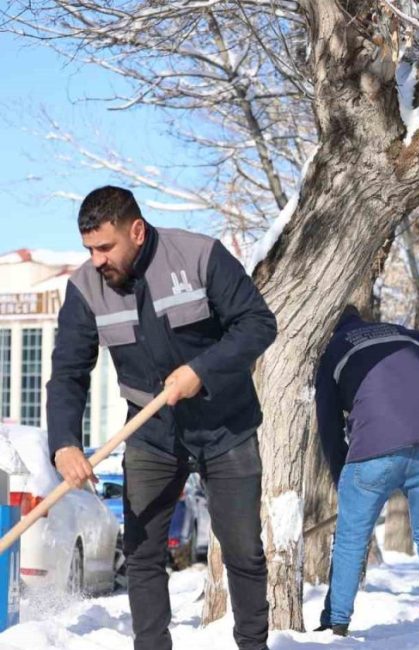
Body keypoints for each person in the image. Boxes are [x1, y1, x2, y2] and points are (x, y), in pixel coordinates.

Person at [47, 186, 277, 650]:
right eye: (89, 249)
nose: (97, 260)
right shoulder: (85, 288)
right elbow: (69, 371)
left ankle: (253, 644)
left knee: (243, 552)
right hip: (151, 434)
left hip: (226, 425)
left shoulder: (199, 255)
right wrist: (65, 442)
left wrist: (201, 370)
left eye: (105, 247)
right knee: (143, 554)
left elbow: (258, 323)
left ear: (136, 230)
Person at [314, 306, 419, 638]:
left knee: (350, 539)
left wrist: (341, 480)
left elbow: (329, 429)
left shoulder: (333, 350)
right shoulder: (406, 335)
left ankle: (337, 623)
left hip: (373, 450)